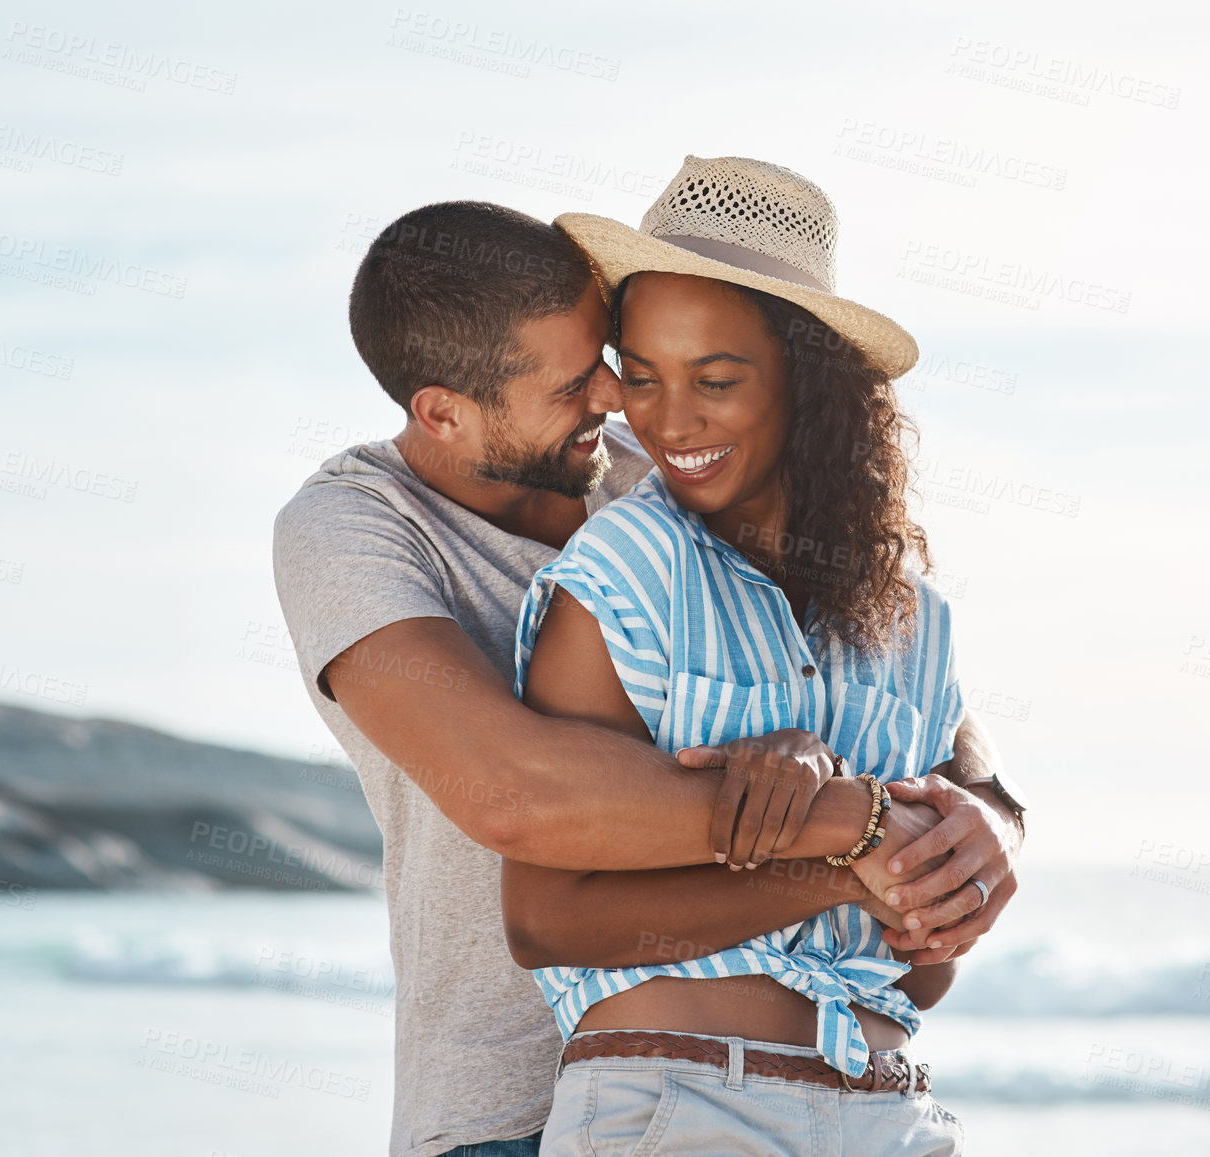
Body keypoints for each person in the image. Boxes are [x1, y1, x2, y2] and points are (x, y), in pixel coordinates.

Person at [272, 197, 1025, 1157]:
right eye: (574, 385)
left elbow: (915, 704)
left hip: (823, 1080)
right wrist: (856, 826)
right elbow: (511, 793)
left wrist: (991, 815)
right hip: (504, 1105)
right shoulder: (354, 528)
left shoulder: (669, 466)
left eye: (610, 364)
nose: (617, 402)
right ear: (443, 412)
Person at [503, 156, 1015, 1156]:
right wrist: (841, 857)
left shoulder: (917, 622)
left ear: (810, 381)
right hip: (681, 1104)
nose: (668, 420)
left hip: (891, 1110)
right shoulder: (625, 566)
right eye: (641, 377)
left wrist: (942, 876)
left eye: (717, 380)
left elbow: (920, 965)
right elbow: (546, 915)